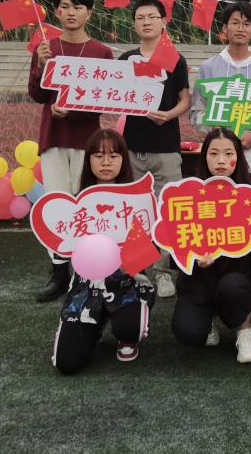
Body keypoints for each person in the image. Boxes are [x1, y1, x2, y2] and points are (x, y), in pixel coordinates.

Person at [191, 2, 251, 299]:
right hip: (219, 161)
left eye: (246, 23)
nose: (240, 28)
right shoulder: (209, 67)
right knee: (218, 216)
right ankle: (216, 266)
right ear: (225, 28)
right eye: (234, 22)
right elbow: (196, 112)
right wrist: (219, 134)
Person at [29, 0, 113, 303]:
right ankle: (59, 273)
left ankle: (88, 270)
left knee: (88, 203)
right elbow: (37, 95)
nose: (71, 12)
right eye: (65, 6)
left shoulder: (101, 52)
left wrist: (73, 110)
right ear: (57, 11)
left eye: (78, 7)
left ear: (89, 13)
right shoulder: (46, 48)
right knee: (57, 204)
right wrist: (40, 65)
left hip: (87, 140)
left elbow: (104, 100)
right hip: (53, 138)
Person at [51, 129, 156, 374]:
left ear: (123, 160)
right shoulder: (75, 203)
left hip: (126, 281)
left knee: (130, 328)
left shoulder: (138, 201)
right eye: (98, 156)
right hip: (87, 285)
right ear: (88, 160)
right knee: (68, 363)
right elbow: (61, 249)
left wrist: (129, 262)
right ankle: (94, 325)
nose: (106, 162)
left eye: (113, 156)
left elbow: (146, 257)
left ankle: (127, 336)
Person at [170, 127, 251, 363]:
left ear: (238, 157)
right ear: (204, 157)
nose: (221, 160)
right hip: (200, 282)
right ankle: (207, 322)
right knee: (188, 332)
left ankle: (244, 329)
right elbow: (176, 249)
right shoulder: (187, 197)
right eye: (214, 153)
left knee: (233, 286)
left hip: (238, 282)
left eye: (228, 153)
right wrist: (195, 259)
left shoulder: (250, 197)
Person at [117, 0, 191, 299]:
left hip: (166, 147)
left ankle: (163, 272)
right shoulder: (126, 59)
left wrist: (169, 115)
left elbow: (185, 99)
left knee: (166, 211)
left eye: (152, 17)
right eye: (140, 18)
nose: (146, 22)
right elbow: (114, 95)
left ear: (164, 21)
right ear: (134, 24)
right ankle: (137, 270)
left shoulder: (174, 58)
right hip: (132, 146)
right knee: (135, 212)